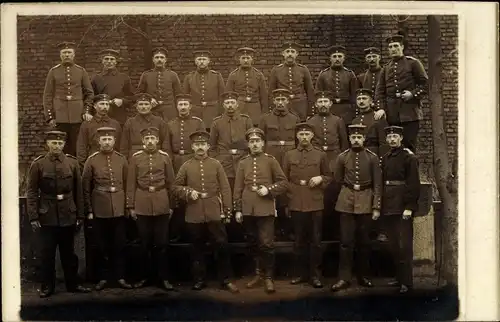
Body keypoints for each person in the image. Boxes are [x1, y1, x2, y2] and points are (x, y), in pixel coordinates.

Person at [172, 131, 240, 293]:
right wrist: (188, 192)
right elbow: (175, 187)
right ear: (192, 147)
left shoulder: (216, 164)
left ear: (208, 146)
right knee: (197, 248)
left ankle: (225, 280)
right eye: (197, 145)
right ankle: (199, 280)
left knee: (222, 246)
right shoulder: (186, 165)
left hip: (214, 211)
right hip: (194, 213)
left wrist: (227, 211)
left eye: (203, 144)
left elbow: (225, 188)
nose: (200, 147)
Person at [26, 131, 91, 298]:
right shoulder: (38, 164)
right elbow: (32, 192)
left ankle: (73, 284)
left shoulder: (72, 163)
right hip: (46, 215)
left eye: (60, 143)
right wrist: (33, 216)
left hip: (68, 214)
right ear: (47, 144)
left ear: (63, 145)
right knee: (47, 253)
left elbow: (78, 192)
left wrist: (80, 215)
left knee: (69, 253)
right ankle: (47, 286)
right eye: (53, 143)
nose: (57, 146)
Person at [233, 128, 289, 294]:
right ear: (248, 144)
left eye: (258, 141)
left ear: (263, 143)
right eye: (252, 141)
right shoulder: (243, 163)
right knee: (253, 242)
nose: (255, 144)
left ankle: (269, 278)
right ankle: (258, 274)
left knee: (266, 243)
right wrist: (238, 209)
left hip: (265, 208)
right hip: (248, 208)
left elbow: (284, 183)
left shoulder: (271, 161)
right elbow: (238, 187)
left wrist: (268, 189)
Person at [330, 124, 382, 292]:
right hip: (346, 201)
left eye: (359, 137)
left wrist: (376, 206)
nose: (356, 140)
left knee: (364, 242)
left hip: (366, 201)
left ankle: (363, 276)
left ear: (364, 139)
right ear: (350, 139)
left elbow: (378, 184)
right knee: (345, 242)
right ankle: (343, 278)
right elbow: (337, 179)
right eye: (353, 137)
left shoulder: (372, 158)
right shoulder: (342, 157)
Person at [82, 127, 133, 290]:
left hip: (118, 208)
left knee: (120, 244)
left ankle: (120, 277)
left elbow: (128, 184)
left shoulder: (121, 159)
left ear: (114, 141)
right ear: (99, 141)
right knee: (101, 245)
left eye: (109, 139)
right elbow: (86, 187)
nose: (107, 142)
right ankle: (103, 278)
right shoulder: (92, 160)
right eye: (103, 139)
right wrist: (89, 210)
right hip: (99, 208)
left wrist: (127, 206)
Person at [126, 127, 176, 291]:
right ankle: (146, 277)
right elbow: (131, 183)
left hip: (161, 202)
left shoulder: (164, 157)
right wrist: (131, 206)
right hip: (142, 203)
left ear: (157, 141)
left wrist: (171, 205)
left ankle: (164, 278)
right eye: (146, 139)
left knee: (161, 243)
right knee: (145, 243)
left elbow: (171, 183)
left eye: (152, 138)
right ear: (142, 141)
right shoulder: (136, 158)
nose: (149, 141)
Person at [282, 123, 331, 288]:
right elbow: (284, 181)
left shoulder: (321, 155)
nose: (304, 137)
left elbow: (329, 177)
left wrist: (320, 179)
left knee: (316, 241)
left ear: (312, 136)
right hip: (296, 201)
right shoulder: (289, 155)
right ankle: (300, 274)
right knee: (299, 241)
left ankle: (315, 276)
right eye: (301, 134)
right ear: (297, 136)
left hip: (315, 201)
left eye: (307, 134)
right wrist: (288, 203)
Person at [380, 126, 420, 294]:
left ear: (401, 138)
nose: (392, 140)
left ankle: (407, 282)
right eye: (389, 137)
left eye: (395, 136)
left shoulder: (409, 158)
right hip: (388, 206)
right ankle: (398, 278)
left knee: (404, 246)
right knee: (393, 245)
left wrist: (409, 207)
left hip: (402, 206)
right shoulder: (386, 157)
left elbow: (413, 184)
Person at [374, 34, 429, 153]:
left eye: (396, 46)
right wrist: (381, 108)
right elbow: (380, 91)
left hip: (410, 114)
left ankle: (411, 171)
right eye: (390, 47)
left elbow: (426, 85)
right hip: (392, 114)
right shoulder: (386, 68)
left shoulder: (413, 63)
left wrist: (412, 94)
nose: (393, 49)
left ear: (402, 47)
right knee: (394, 147)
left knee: (409, 147)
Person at [258, 88, 300, 241]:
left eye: (283, 100)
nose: (280, 102)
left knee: (289, 188)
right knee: (272, 187)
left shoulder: (295, 118)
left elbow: (297, 141)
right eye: (278, 100)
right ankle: (274, 230)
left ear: (288, 101)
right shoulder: (265, 119)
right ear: (273, 101)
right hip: (272, 155)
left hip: (289, 157)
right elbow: (261, 139)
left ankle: (289, 228)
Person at [306, 91, 349, 241]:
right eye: (320, 102)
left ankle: (334, 231)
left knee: (334, 195)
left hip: (335, 159)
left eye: (326, 101)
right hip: (318, 160)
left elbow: (344, 144)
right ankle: (318, 232)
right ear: (316, 104)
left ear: (330, 104)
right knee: (319, 198)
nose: (323, 104)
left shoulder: (338, 121)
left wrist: (343, 163)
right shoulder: (310, 121)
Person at [43, 41, 94, 156]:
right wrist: (50, 117)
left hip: (78, 117)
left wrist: (86, 111)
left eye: (69, 52)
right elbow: (47, 95)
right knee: (60, 147)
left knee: (77, 147)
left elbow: (89, 93)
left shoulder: (81, 71)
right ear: (60, 55)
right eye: (64, 53)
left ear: (73, 55)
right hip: (60, 117)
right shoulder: (53, 72)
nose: (67, 55)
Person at [166, 93, 206, 243]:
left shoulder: (197, 123)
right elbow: (166, 145)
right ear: (176, 107)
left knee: (193, 192)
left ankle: (196, 231)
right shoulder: (170, 124)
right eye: (180, 104)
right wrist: (170, 161)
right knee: (178, 195)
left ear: (190, 106)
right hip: (176, 160)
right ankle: (178, 231)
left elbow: (203, 142)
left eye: (185, 104)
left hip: (192, 159)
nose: (183, 107)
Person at [209, 91, 253, 190]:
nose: (230, 105)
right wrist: (217, 161)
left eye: (232, 102)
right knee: (226, 188)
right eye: (227, 103)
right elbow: (212, 146)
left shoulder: (246, 120)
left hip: (243, 159)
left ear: (237, 104)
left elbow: (251, 142)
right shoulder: (217, 122)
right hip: (224, 161)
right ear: (223, 105)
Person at [268, 42, 315, 121]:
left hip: (300, 106)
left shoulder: (303, 69)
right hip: (283, 106)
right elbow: (271, 92)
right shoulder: (276, 70)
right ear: (283, 54)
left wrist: (310, 111)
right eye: (287, 52)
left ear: (296, 54)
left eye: (292, 52)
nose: (290, 54)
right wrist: (272, 109)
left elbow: (310, 90)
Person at [315, 45, 359, 126]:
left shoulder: (350, 74)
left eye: (340, 56)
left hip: (346, 110)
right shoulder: (323, 74)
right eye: (334, 56)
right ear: (330, 59)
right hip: (330, 109)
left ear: (344, 58)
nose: (337, 59)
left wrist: (354, 111)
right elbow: (318, 94)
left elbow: (354, 94)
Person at [91, 49, 136, 126]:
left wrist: (122, 101)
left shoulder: (124, 77)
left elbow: (133, 97)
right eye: (106, 59)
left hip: (119, 116)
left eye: (112, 59)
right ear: (102, 61)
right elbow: (91, 98)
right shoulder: (96, 78)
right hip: (101, 116)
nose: (109, 61)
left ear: (116, 62)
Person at [76, 94, 122, 169]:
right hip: (93, 160)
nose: (105, 107)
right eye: (102, 104)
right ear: (94, 106)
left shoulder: (115, 124)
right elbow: (82, 146)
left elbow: (119, 146)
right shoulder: (87, 124)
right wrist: (83, 165)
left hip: (112, 161)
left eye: (107, 104)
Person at [120, 93, 172, 159]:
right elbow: (124, 145)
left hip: (156, 158)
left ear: (151, 106)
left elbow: (165, 142)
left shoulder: (159, 121)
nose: (143, 107)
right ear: (136, 106)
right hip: (135, 158)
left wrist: (166, 158)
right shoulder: (130, 122)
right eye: (141, 104)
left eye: (146, 104)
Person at [226, 47, 269, 126]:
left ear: (252, 59)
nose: (245, 60)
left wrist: (264, 113)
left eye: (248, 58)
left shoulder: (259, 75)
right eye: (243, 58)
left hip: (255, 108)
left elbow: (264, 96)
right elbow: (229, 95)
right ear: (239, 59)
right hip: (239, 108)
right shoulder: (233, 75)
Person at [137, 47, 182, 122]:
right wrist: (149, 99)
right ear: (153, 60)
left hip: (169, 110)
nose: (159, 60)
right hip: (153, 110)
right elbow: (139, 93)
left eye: (162, 57)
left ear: (165, 60)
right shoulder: (146, 75)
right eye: (157, 57)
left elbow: (178, 94)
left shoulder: (172, 75)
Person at [183, 50, 225, 129]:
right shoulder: (189, 77)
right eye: (199, 59)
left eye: (204, 59)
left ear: (208, 61)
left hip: (213, 112)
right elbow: (185, 97)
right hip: (195, 113)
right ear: (195, 61)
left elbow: (222, 96)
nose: (202, 62)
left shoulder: (216, 76)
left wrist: (220, 112)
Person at [351, 88, 390, 157]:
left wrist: (382, 159)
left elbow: (384, 143)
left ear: (371, 101)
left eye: (364, 98)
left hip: (374, 155)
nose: (361, 101)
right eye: (359, 99)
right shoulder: (355, 121)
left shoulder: (378, 117)